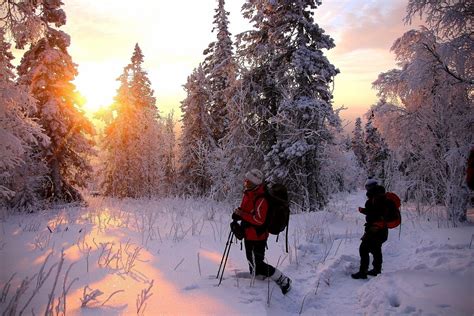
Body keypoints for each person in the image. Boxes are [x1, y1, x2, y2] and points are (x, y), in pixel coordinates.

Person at [232, 169, 292, 294]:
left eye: (248, 182)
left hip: (258, 237)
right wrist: (239, 212)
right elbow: (246, 209)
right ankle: (259, 282)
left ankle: (283, 279)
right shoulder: (249, 193)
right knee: (251, 262)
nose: (245, 183)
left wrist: (242, 214)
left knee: (258, 264)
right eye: (245, 181)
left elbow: (259, 220)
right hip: (249, 234)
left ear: (254, 183)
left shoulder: (261, 199)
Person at [351, 178, 393, 279]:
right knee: (376, 249)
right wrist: (364, 210)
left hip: (376, 229)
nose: (366, 189)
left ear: (371, 187)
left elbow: (378, 213)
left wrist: (375, 224)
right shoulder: (379, 196)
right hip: (381, 229)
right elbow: (375, 212)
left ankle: (363, 272)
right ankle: (376, 270)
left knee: (364, 248)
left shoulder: (377, 198)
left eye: (367, 187)